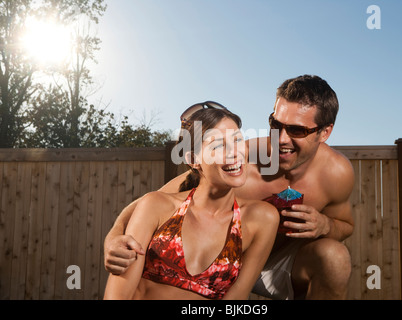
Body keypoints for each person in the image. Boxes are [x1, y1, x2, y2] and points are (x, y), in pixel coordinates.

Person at [104, 75, 355, 300]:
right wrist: (113, 237)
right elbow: (156, 199)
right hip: (224, 263)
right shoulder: (243, 157)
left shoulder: (337, 174)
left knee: (335, 258)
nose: (281, 138)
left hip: (277, 266)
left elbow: (346, 225)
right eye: (275, 124)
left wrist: (325, 225)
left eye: (297, 130)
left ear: (324, 133)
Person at [103, 107, 279, 299]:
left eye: (237, 140)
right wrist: (112, 237)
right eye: (218, 146)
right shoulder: (157, 206)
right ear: (194, 159)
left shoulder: (261, 219)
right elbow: (117, 296)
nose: (234, 153)